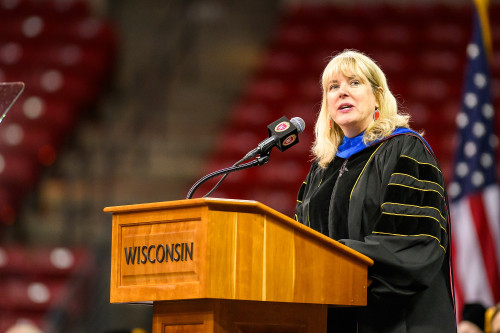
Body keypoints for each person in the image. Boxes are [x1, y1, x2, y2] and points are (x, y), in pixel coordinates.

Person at [295, 50, 456, 332]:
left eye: (354, 83)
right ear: (327, 105)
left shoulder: (406, 151)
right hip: (335, 318)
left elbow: (412, 244)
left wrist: (334, 261)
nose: (342, 92)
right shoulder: (320, 171)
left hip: (400, 321)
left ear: (378, 96)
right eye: (333, 87)